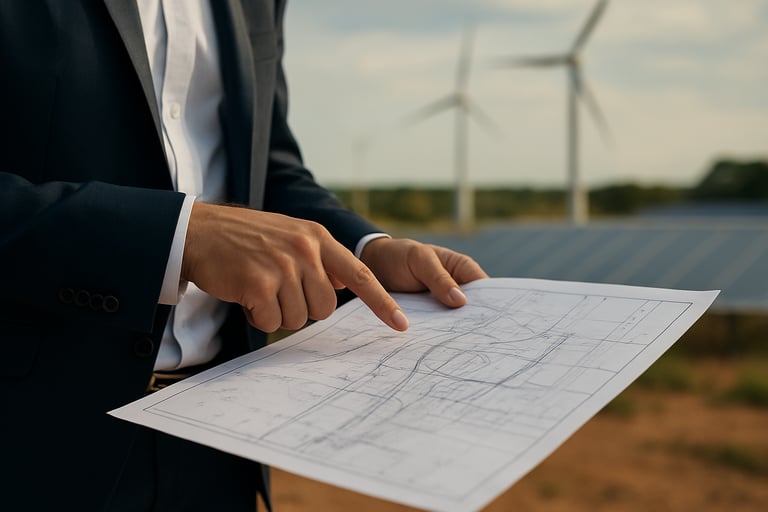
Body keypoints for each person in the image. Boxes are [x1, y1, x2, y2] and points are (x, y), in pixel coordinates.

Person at [0, 1, 488, 510]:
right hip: (30, 444)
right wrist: (177, 235)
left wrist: (368, 249)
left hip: (221, 443)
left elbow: (268, 166)